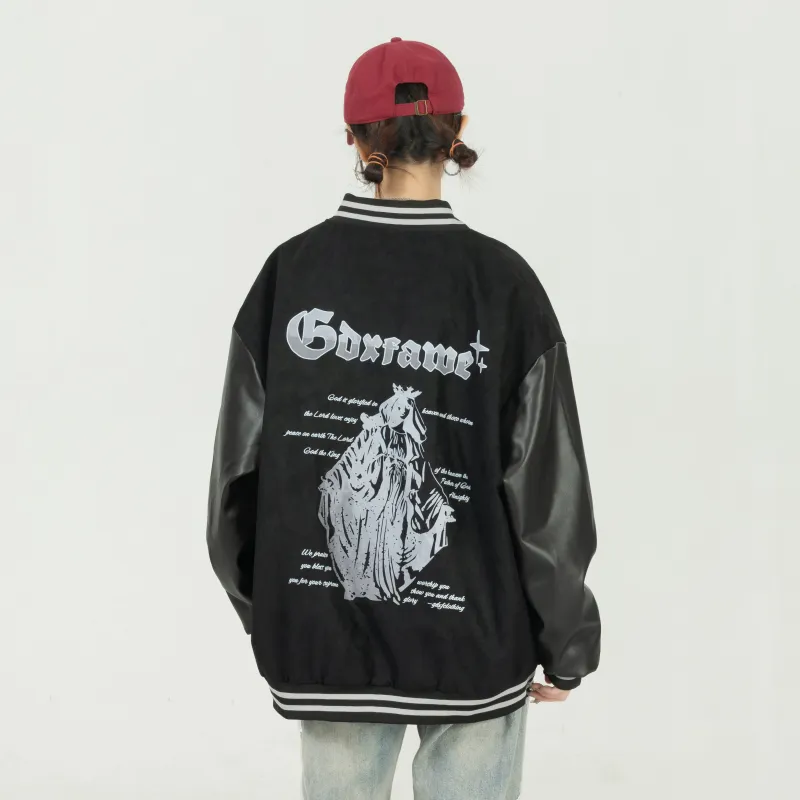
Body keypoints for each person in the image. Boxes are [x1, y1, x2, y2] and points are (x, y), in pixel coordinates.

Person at [207, 37, 601, 800]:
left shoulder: (291, 274)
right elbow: (547, 496)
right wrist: (568, 642)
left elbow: (236, 481)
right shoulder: (505, 285)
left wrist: (280, 611)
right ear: (457, 134)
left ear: (357, 141)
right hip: (476, 643)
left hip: (328, 639)